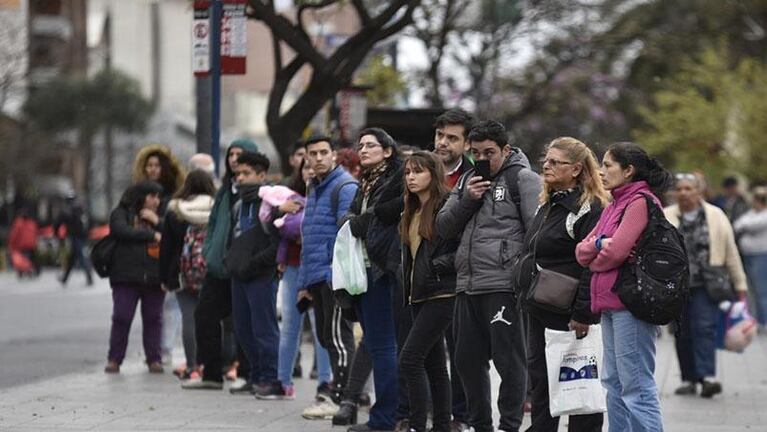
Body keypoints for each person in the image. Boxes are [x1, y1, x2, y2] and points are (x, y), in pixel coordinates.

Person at [435, 120, 541, 432]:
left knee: (510, 362)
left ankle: (509, 425)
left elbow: (536, 233)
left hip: (503, 286)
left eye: (490, 153)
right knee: (466, 361)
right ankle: (480, 425)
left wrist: (519, 272)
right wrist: (468, 199)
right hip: (467, 285)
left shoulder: (523, 178)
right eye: (477, 152)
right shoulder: (467, 179)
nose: (483, 159)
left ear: (506, 150)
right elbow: (443, 227)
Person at [575, 141, 673, 432]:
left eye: (608, 165)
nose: (601, 172)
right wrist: (599, 247)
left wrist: (598, 253)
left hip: (631, 305)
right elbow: (581, 251)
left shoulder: (640, 202)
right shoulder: (614, 204)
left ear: (628, 170)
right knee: (614, 384)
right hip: (609, 303)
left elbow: (616, 253)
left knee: (636, 386)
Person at [517, 137, 606, 432]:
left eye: (556, 162)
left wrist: (583, 313)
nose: (547, 165)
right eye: (546, 160)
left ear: (577, 169)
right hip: (539, 306)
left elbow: (594, 264)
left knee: (578, 381)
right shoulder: (549, 202)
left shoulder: (587, 208)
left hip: (568, 313)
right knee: (541, 379)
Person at [182, 138, 259, 390]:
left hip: (243, 266)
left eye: (240, 154)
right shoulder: (225, 189)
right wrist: (209, 250)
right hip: (218, 266)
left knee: (243, 322)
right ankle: (212, 374)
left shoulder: (260, 190)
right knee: (204, 315)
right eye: (231, 154)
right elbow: (214, 223)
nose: (234, 159)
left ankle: (249, 374)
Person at [665, 173, 748, 398]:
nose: (683, 193)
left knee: (704, 329)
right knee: (682, 333)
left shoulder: (716, 215)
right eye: (679, 189)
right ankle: (689, 379)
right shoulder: (666, 216)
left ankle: (706, 377)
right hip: (677, 285)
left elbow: (731, 251)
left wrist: (740, 284)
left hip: (706, 284)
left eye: (688, 189)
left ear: (699, 192)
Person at [343, 127, 404, 432]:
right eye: (361, 145)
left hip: (382, 270)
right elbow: (351, 219)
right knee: (377, 342)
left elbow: (378, 221)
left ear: (388, 151)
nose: (363, 150)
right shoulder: (364, 184)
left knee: (383, 346)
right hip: (362, 271)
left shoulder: (395, 180)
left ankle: (384, 418)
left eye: (371, 145)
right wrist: (358, 222)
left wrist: (361, 223)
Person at [297, 136, 359, 419]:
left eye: (324, 152)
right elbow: (308, 237)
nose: (319, 158)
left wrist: (335, 275)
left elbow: (346, 234)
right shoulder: (314, 186)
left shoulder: (344, 185)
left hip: (334, 275)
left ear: (333, 155)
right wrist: (304, 283)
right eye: (313, 153)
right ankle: (340, 392)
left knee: (337, 338)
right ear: (306, 158)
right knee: (326, 336)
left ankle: (343, 397)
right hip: (317, 274)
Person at [398, 152, 458, 432]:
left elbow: (459, 248)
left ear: (433, 175)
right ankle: (442, 426)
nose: (411, 177)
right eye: (408, 172)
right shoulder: (411, 209)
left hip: (442, 293)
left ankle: (418, 425)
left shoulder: (445, 205)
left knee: (409, 359)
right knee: (434, 365)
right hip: (419, 293)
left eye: (417, 171)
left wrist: (436, 267)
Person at [226, 151, 284, 399]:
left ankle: (270, 379)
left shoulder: (272, 202)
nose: (240, 178)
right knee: (243, 329)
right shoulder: (238, 204)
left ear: (262, 175)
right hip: (239, 275)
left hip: (261, 274)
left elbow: (277, 242)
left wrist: (257, 264)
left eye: (246, 173)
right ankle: (255, 375)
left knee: (264, 328)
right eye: (238, 173)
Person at [276, 159, 334, 399]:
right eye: (305, 166)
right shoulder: (289, 197)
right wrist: (282, 212)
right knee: (290, 325)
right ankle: (282, 381)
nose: (310, 170)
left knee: (322, 326)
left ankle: (325, 382)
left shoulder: (331, 192)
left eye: (314, 164)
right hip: (292, 265)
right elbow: (281, 229)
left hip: (319, 267)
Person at [432, 108, 475, 432]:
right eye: (440, 136)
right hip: (421, 276)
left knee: (460, 351)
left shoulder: (474, 177)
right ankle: (434, 409)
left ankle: (460, 415)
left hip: (457, 275)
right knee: (425, 351)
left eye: (452, 138)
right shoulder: (421, 168)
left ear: (467, 144)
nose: (443, 143)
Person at [159, 170, 216, 381]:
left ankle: (192, 366)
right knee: (209, 320)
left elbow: (166, 247)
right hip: (210, 271)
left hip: (182, 272)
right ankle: (210, 363)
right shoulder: (215, 206)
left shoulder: (175, 209)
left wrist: (164, 278)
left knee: (189, 319)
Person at [131, 145, 186, 366]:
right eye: (149, 165)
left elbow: (177, 227)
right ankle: (154, 350)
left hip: (169, 253)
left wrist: (157, 222)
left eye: (157, 165)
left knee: (170, 304)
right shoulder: (136, 194)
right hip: (145, 256)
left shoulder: (175, 194)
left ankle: (164, 349)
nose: (153, 169)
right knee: (153, 308)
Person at [104, 180, 166, 374]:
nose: (156, 201)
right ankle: (114, 358)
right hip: (126, 276)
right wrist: (151, 235)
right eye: (152, 196)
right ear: (141, 197)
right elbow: (121, 231)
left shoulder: (161, 216)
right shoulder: (121, 213)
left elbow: (173, 235)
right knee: (122, 317)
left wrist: (156, 222)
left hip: (154, 277)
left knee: (153, 319)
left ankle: (154, 359)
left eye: (158, 197)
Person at [733, 187, 767, 325]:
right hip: (747, 255)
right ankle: (755, 319)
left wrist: (744, 226)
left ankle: (764, 321)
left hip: (761, 255)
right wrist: (744, 226)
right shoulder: (752, 213)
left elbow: (753, 225)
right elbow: (737, 224)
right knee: (750, 290)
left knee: (761, 290)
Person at [56, 195, 94, 287]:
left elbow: (58, 222)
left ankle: (89, 277)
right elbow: (90, 221)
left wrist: (56, 232)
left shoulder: (68, 209)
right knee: (72, 258)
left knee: (81, 257)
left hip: (75, 236)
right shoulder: (81, 208)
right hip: (82, 236)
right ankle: (65, 278)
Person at [8, 207, 40, 277]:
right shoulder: (32, 223)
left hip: (22, 245)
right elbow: (36, 234)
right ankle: (30, 270)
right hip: (31, 245)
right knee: (30, 258)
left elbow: (14, 234)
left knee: (22, 259)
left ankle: (23, 271)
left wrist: (11, 244)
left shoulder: (18, 223)